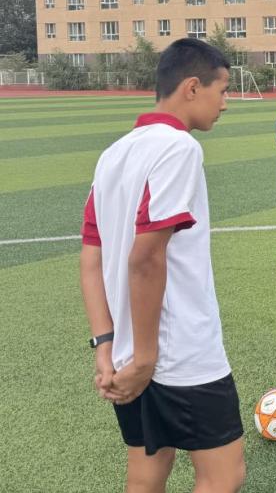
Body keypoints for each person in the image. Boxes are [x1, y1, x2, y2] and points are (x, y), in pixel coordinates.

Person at [79, 38, 245, 493]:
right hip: (180, 354)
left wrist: (106, 345)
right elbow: (146, 258)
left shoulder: (113, 154)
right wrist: (148, 358)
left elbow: (91, 258)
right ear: (192, 87)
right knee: (223, 476)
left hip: (127, 353)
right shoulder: (179, 148)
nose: (225, 103)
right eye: (222, 90)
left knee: (147, 473)